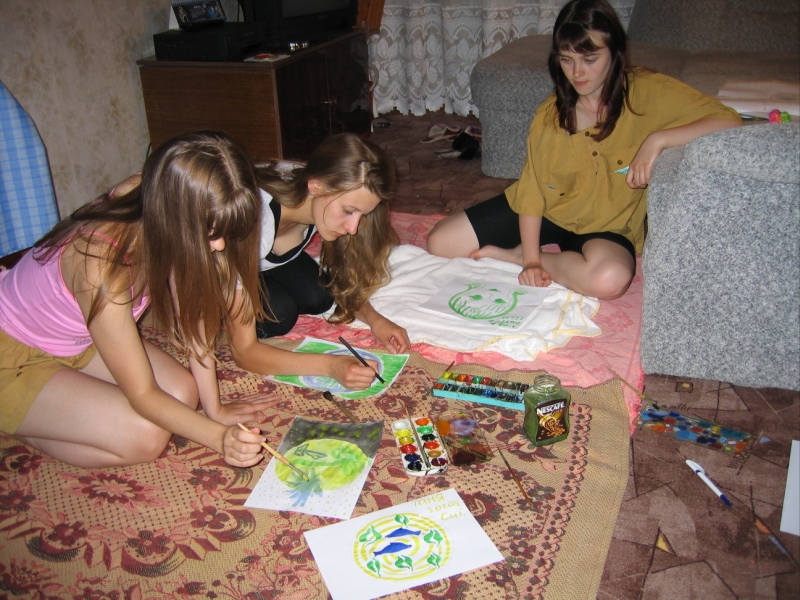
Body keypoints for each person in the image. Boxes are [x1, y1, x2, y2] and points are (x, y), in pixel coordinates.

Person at [426, 0, 742, 300]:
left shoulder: (649, 92)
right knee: (441, 243)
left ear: (615, 52)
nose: (577, 73)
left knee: (610, 280)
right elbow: (532, 192)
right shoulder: (549, 115)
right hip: (548, 211)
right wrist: (533, 260)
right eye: (567, 59)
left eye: (590, 60)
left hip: (607, 226)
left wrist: (658, 139)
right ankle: (530, 255)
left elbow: (729, 120)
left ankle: (517, 257)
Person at [0, 131, 277, 469]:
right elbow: (142, 394)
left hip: (76, 338)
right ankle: (17, 422)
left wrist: (214, 410)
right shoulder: (101, 267)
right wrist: (219, 437)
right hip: (11, 356)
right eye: (210, 233)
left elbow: (194, 317)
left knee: (184, 393)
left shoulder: (158, 190)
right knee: (147, 436)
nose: (219, 246)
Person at [225, 133, 410, 390]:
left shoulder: (317, 189)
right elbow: (244, 352)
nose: (353, 228)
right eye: (348, 211)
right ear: (316, 186)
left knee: (321, 295)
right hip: (217, 267)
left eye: (362, 215)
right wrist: (331, 366)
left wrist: (374, 319)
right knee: (280, 314)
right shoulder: (253, 222)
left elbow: (342, 280)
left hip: (260, 260)